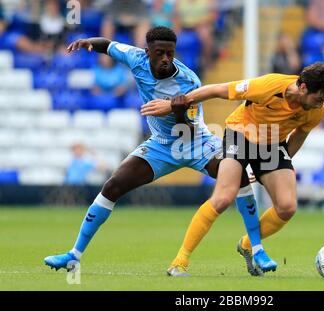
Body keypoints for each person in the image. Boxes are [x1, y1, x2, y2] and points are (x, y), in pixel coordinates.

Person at [44, 26, 276, 277]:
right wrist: (88, 42)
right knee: (112, 186)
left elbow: (186, 128)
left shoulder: (189, 81)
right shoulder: (136, 58)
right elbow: (108, 45)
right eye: (160, 53)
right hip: (162, 144)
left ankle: (256, 249)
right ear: (147, 52)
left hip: (195, 142)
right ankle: (74, 256)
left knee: (238, 175)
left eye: (170, 53)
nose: (166, 58)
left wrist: (177, 109)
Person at [141, 62, 324, 274]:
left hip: (272, 145)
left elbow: (300, 134)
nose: (320, 105)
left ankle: (247, 244)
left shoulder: (319, 109)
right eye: (318, 99)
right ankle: (180, 262)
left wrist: (276, 166)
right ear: (303, 88)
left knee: (287, 207)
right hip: (240, 134)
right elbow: (217, 89)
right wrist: (172, 105)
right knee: (223, 197)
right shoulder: (268, 86)